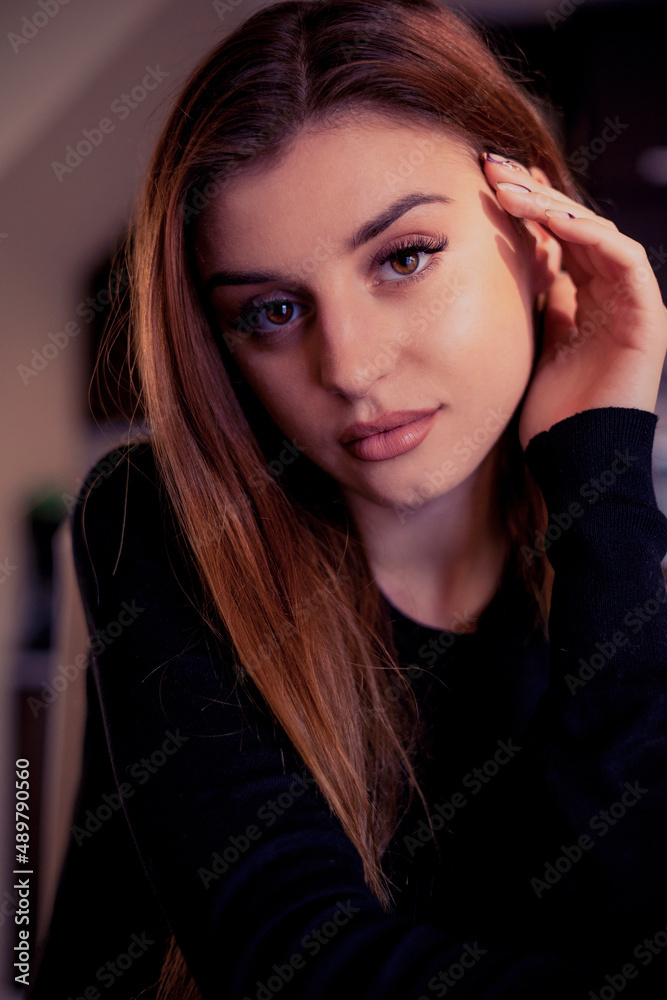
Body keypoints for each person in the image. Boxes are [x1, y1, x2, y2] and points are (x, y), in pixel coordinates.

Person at [28, 1, 667, 998]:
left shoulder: (615, 548)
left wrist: (601, 467)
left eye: (404, 257)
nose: (353, 368)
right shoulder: (157, 518)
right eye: (272, 312)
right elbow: (292, 959)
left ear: (540, 232)